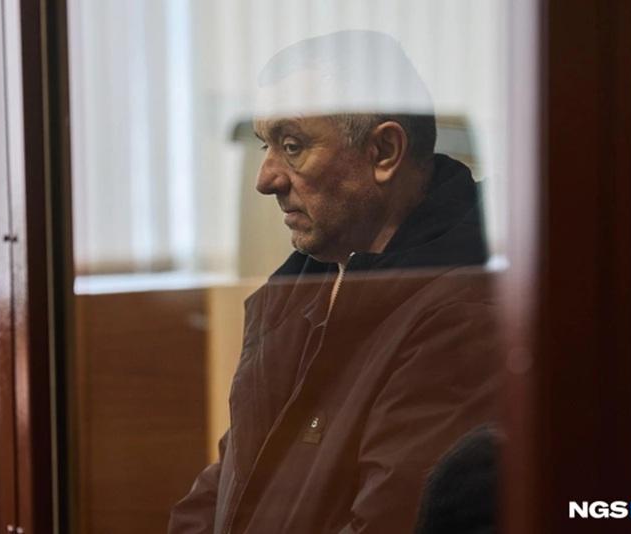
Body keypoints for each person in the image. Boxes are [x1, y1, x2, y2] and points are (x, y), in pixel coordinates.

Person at [169, 31, 501, 534]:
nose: (265, 179)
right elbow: (229, 487)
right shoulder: (299, 291)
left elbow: (387, 522)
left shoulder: (462, 316)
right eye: (265, 145)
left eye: (293, 146)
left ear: (384, 151)